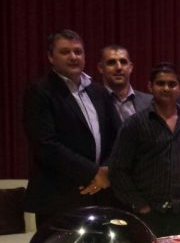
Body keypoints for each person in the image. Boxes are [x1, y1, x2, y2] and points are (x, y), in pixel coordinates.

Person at [23, 29, 119, 227]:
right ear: (51, 57)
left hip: (100, 194)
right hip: (59, 197)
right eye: (65, 52)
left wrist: (107, 171)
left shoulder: (98, 91)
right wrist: (94, 173)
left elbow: (118, 137)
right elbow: (46, 146)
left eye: (78, 51)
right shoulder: (39, 91)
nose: (73, 57)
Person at [109, 63, 180, 236]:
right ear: (150, 87)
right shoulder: (134, 124)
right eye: (160, 83)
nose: (166, 88)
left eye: (172, 84)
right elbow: (118, 170)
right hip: (147, 214)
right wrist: (140, 205)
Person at [96, 45, 152, 123]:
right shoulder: (92, 103)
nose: (119, 67)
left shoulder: (150, 102)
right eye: (111, 63)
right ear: (101, 68)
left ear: (130, 67)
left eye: (123, 62)